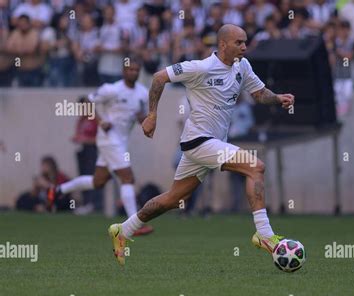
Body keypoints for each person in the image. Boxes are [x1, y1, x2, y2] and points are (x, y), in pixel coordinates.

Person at [108, 24, 295, 266]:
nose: (244, 47)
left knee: (173, 199)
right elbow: (159, 77)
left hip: (209, 144)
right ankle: (265, 235)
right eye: (239, 42)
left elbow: (259, 93)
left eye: (245, 42)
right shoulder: (201, 67)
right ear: (223, 44)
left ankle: (123, 229)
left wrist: (277, 97)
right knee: (255, 166)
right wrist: (152, 115)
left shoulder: (242, 66)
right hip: (200, 141)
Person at [47, 58, 153, 236]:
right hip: (108, 139)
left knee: (98, 181)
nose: (133, 72)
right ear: (123, 71)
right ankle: (134, 226)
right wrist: (101, 121)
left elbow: (140, 116)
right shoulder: (111, 89)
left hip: (121, 140)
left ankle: (58, 190)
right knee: (127, 178)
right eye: (130, 69)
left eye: (136, 69)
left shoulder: (142, 93)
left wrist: (146, 122)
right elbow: (87, 102)